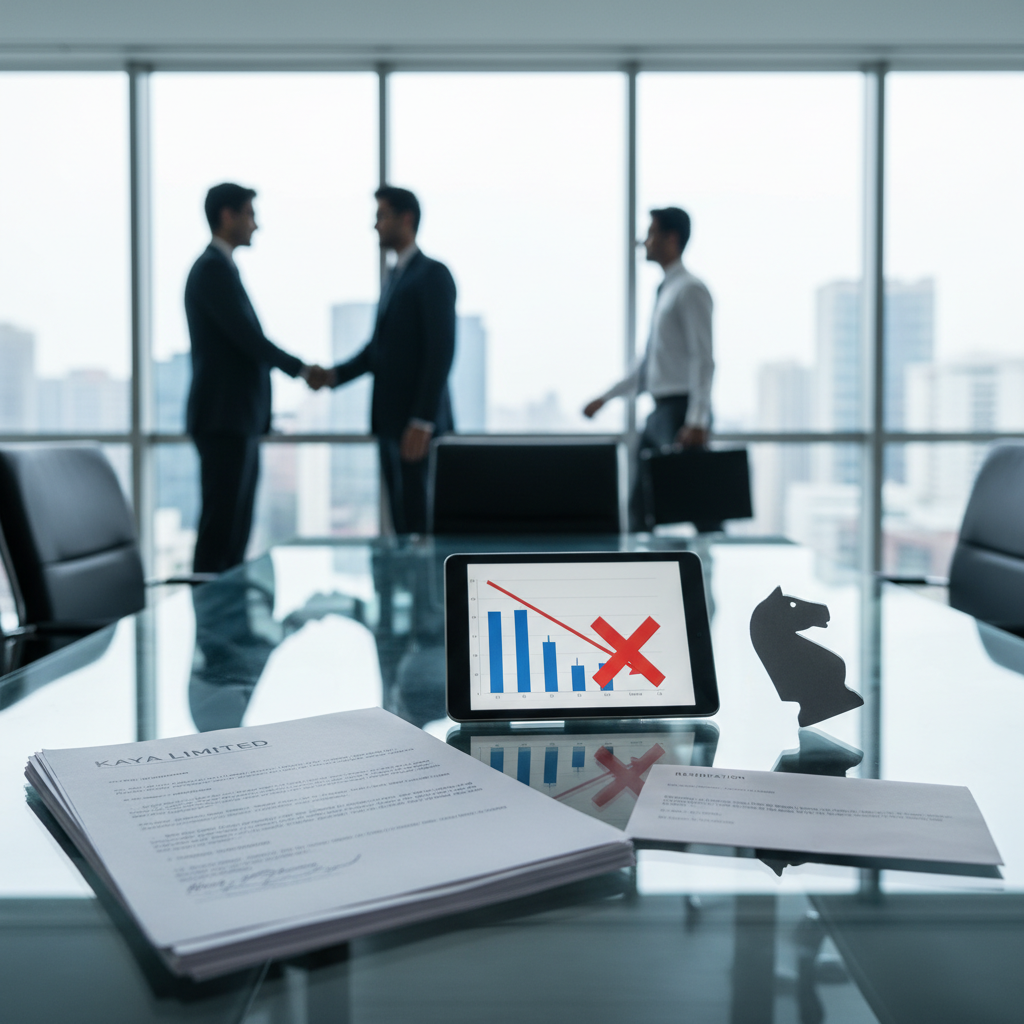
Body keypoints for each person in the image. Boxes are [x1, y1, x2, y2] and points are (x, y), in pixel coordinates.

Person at [185, 182, 325, 573]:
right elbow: (249, 340)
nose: (256, 225)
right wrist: (301, 369)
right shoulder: (212, 270)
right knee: (221, 534)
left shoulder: (220, 268)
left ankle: (225, 625)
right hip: (224, 421)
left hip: (235, 421)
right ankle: (212, 627)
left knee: (234, 531)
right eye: (250, 214)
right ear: (227, 215)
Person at [321, 186, 457, 534]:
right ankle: (411, 589)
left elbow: (441, 350)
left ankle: (428, 591)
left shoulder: (433, 275)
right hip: (392, 425)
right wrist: (333, 376)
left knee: (421, 524)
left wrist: (423, 419)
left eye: (381, 215)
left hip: (416, 428)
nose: (375, 225)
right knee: (401, 519)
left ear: (406, 218)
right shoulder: (396, 277)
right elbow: (378, 351)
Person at [583, 206, 714, 531]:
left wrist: (697, 419)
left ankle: (710, 575)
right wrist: (606, 397)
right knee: (640, 504)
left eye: (652, 233)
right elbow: (648, 363)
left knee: (702, 509)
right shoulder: (667, 290)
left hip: (681, 412)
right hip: (660, 412)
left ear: (672, 238)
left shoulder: (690, 289)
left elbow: (704, 357)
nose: (645, 241)